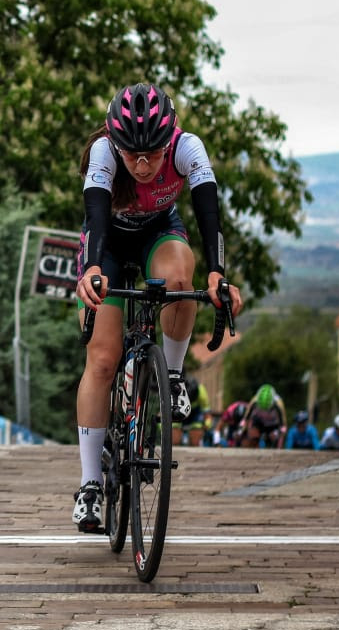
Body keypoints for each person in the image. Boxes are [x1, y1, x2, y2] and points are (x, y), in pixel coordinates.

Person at [70, 83, 242, 532]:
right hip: (107, 243)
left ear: (169, 142)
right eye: (133, 156)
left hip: (158, 233)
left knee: (182, 280)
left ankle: (170, 373)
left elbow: (209, 212)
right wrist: (90, 269)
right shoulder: (104, 153)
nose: (144, 166)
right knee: (103, 359)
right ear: (117, 144)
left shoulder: (187, 148)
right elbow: (95, 218)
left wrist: (219, 271)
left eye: (153, 154)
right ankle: (89, 485)